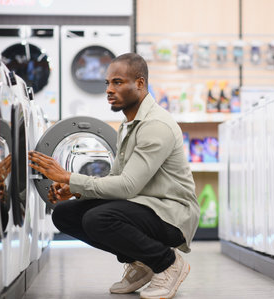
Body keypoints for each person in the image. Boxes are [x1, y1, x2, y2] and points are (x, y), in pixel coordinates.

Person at [28, 53, 200, 299]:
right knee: (65, 214)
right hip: (144, 205)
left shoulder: (155, 125)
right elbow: (116, 177)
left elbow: (127, 186)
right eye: (107, 83)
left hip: (172, 214)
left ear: (139, 84)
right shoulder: (130, 125)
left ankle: (167, 262)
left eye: (117, 82)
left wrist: (68, 177)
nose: (109, 89)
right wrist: (76, 190)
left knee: (99, 219)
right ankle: (142, 262)